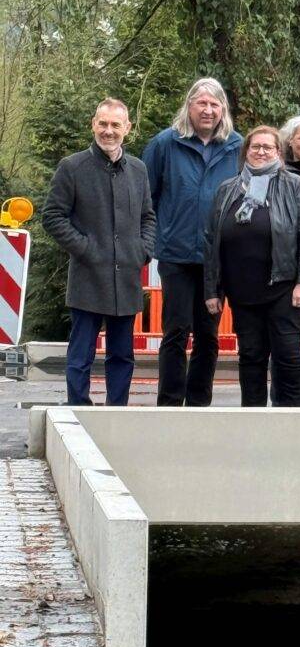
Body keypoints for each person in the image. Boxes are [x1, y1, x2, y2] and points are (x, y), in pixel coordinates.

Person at [42, 98, 155, 406]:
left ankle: (115, 411)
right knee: (81, 355)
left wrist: (142, 250)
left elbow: (148, 217)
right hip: (88, 277)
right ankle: (78, 409)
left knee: (122, 355)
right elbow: (52, 216)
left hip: (127, 277)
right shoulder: (72, 167)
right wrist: (86, 249)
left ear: (127, 128)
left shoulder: (138, 170)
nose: (109, 131)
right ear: (93, 124)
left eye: (115, 125)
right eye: (103, 124)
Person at [143, 78, 242, 407]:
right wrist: (155, 237)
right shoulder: (165, 144)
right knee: (175, 330)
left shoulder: (237, 147)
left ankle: (199, 403)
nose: (208, 110)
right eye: (202, 103)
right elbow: (148, 198)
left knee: (208, 334)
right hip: (176, 254)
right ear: (189, 106)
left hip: (218, 258)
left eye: (215, 105)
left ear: (223, 110)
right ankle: (169, 403)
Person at [203, 126, 300, 406]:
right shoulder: (227, 189)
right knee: (250, 357)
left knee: (288, 356)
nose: (261, 152)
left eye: (268, 147)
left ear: (278, 153)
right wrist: (212, 289)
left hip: (284, 287)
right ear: (246, 152)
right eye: (256, 147)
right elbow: (211, 240)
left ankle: (291, 424)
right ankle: (252, 422)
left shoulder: (292, 184)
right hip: (242, 291)